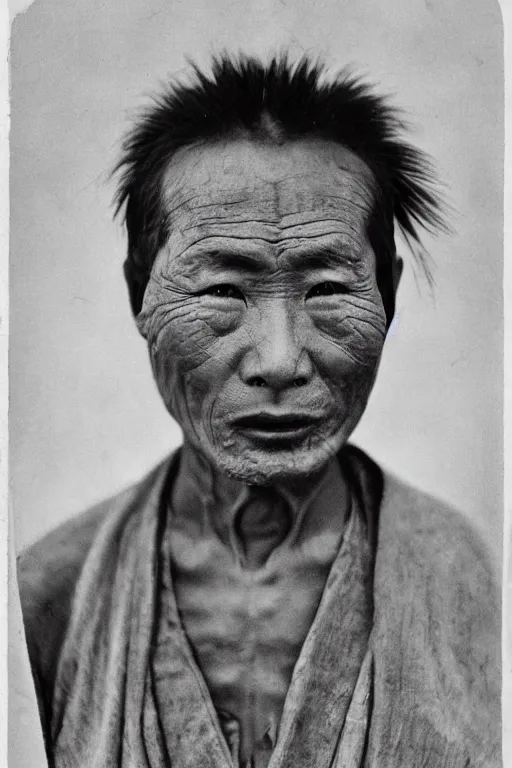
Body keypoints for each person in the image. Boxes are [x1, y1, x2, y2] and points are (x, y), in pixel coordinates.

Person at [17, 54, 501, 768]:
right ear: (138, 295)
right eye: (221, 292)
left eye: (328, 288)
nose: (279, 360)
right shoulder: (43, 597)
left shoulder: (472, 582)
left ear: (389, 296)